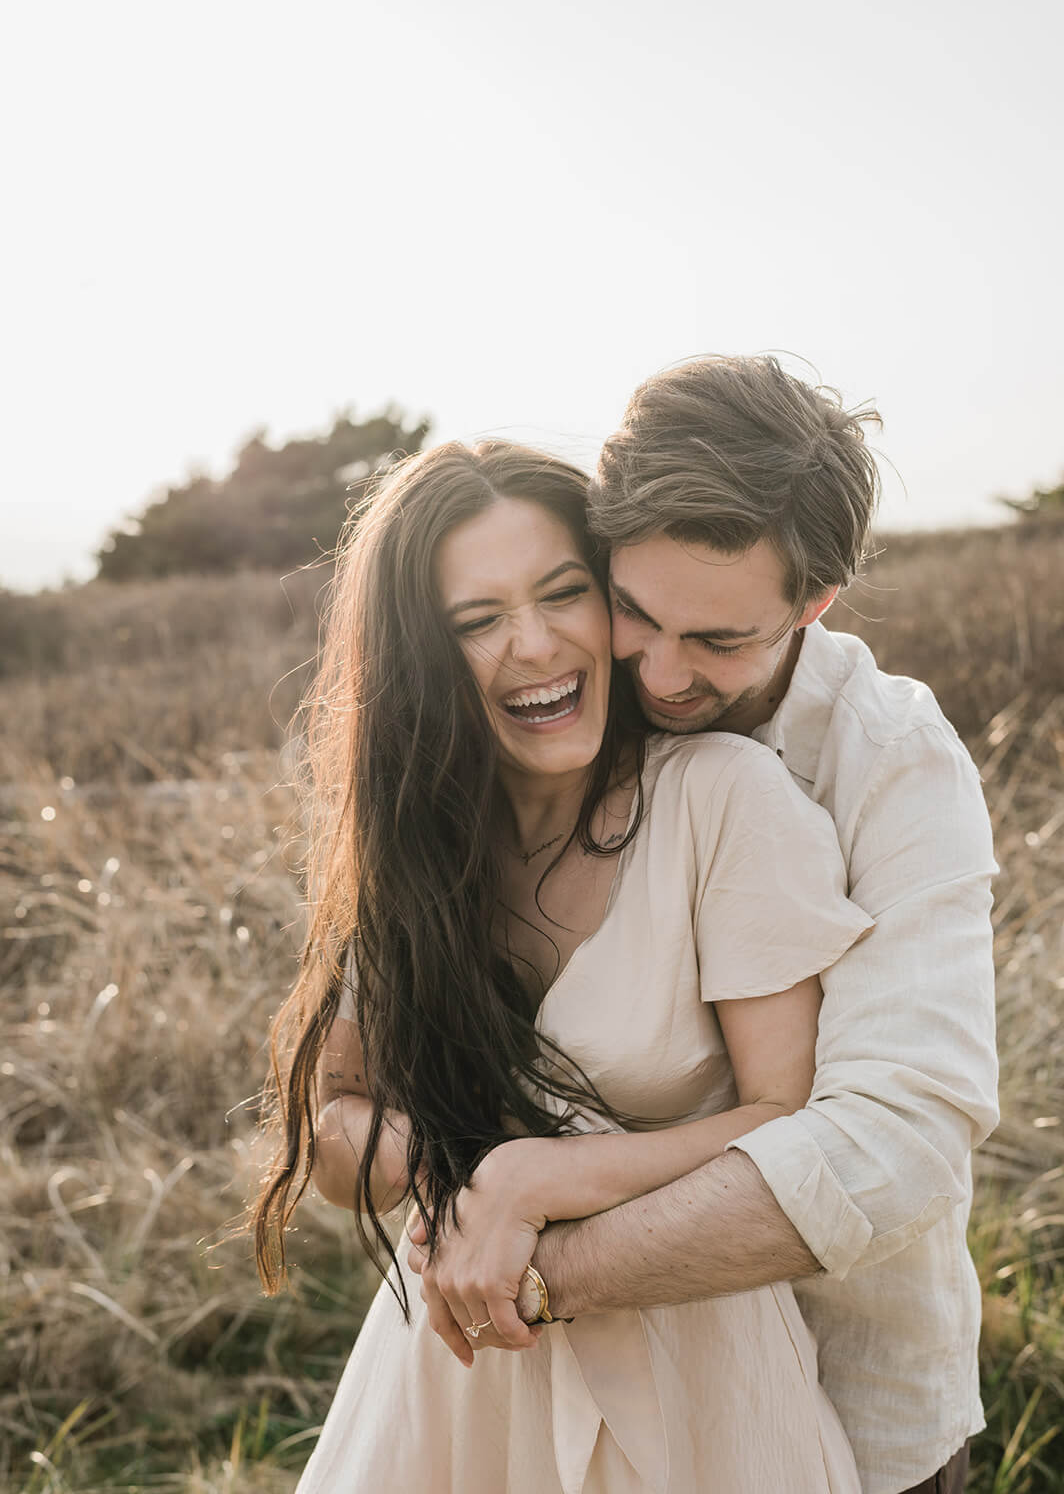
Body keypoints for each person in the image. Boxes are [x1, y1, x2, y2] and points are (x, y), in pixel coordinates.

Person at [409, 358, 998, 1494]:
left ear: (813, 602)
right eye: (633, 610)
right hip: (544, 1408)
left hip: (849, 1393)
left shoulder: (893, 758)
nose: (660, 673)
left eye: (719, 641)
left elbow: (898, 1142)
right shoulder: (558, 700)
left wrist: (537, 1259)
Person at [252, 437, 876, 1493]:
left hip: (698, 1377)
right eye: (477, 620)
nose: (534, 644)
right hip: (463, 1365)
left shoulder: (721, 798)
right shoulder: (413, 846)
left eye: (561, 594)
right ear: (422, 655)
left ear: (609, 601)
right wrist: (421, 1156)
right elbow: (336, 1121)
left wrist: (534, 1172)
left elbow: (789, 1114)